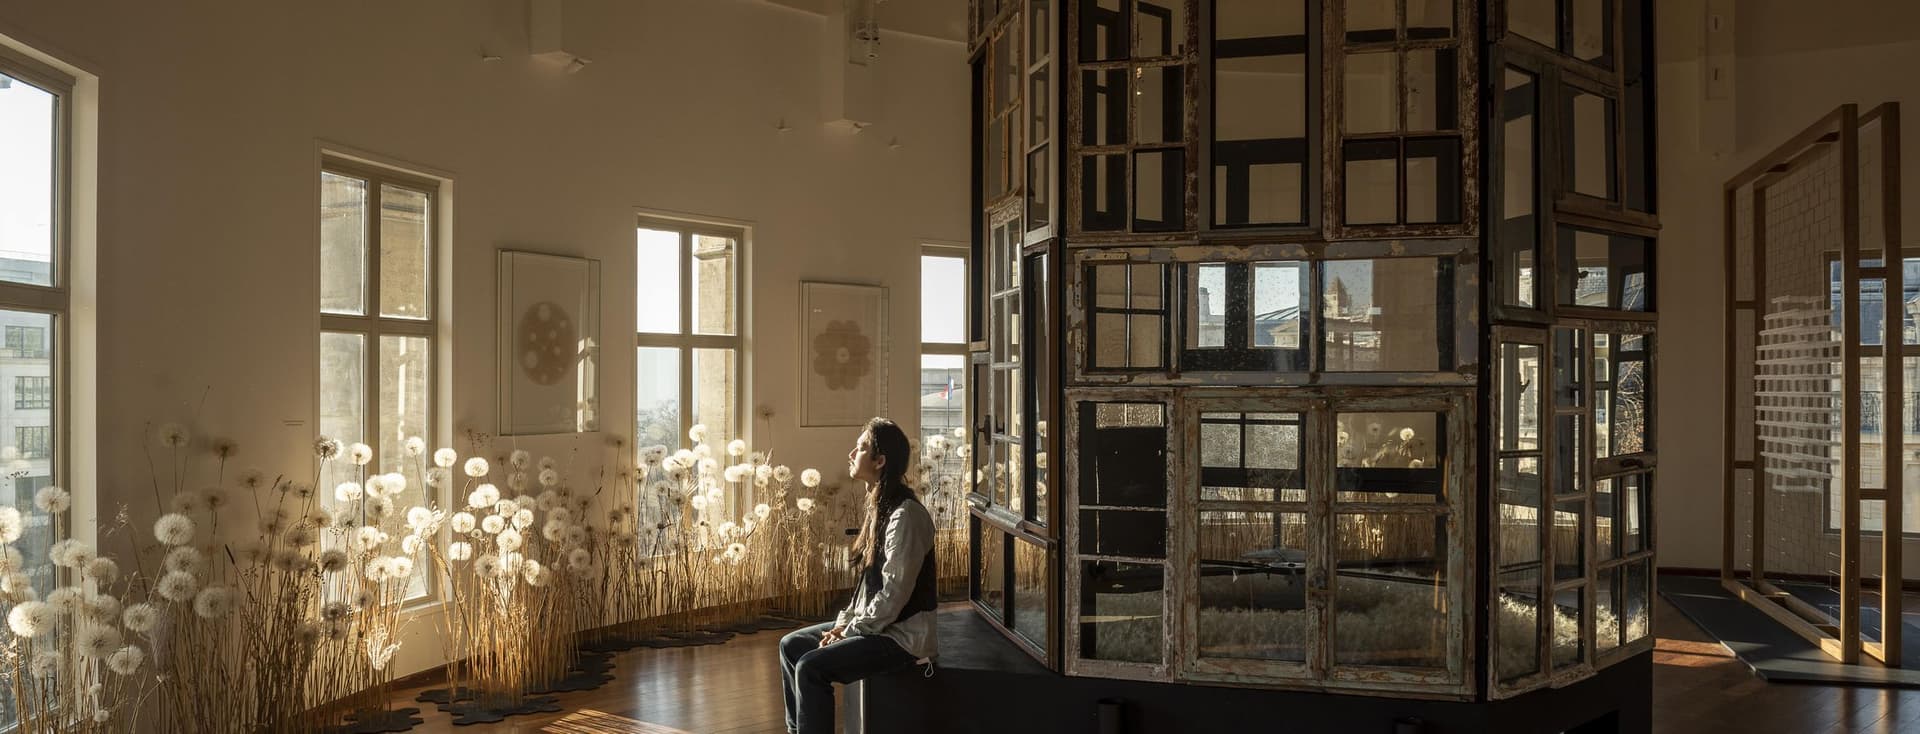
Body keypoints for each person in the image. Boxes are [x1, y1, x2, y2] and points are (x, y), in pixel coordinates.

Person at [779, 417, 937, 734]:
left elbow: (893, 596)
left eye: (862, 447)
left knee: (811, 667)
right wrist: (842, 625)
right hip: (876, 627)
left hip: (902, 638)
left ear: (880, 461)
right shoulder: (878, 504)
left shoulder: (905, 515)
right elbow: (866, 589)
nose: (852, 453)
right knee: (791, 645)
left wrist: (849, 631)